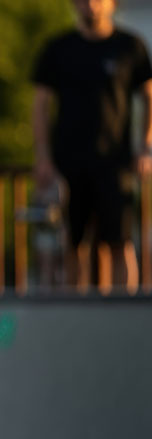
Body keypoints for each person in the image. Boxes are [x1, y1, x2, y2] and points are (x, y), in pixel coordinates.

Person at [33, 0, 152, 294]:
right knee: (74, 244)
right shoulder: (58, 49)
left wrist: (146, 144)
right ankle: (79, 316)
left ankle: (126, 317)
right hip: (69, 164)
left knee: (119, 243)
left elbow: (149, 96)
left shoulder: (130, 47)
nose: (90, 5)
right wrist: (44, 158)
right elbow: (40, 107)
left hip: (116, 163)